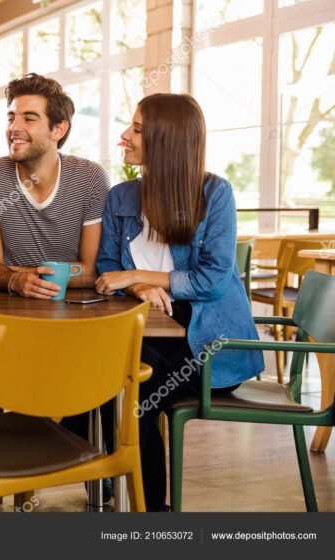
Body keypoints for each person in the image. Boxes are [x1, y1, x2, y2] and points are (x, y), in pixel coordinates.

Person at [95, 93, 264, 511]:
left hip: (209, 340)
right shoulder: (121, 197)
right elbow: (107, 268)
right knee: (113, 372)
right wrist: (138, 289)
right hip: (150, 323)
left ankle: (145, 509)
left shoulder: (215, 194)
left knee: (133, 384)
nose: (124, 136)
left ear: (164, 139)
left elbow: (210, 279)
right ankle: (124, 497)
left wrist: (137, 275)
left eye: (136, 128)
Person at [0, 73, 109, 297]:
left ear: (58, 130)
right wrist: (16, 281)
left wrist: (21, 275)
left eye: (29, 118)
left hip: (73, 308)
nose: (14, 127)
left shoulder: (89, 178)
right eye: (11, 117)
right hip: (8, 307)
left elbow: (92, 270)